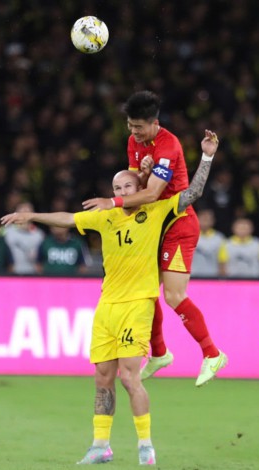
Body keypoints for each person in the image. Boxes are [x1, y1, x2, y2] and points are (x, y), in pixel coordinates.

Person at [2, 130, 219, 466]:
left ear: (139, 187)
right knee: (102, 377)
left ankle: (145, 445)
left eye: (127, 186)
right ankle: (100, 446)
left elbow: (193, 192)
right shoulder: (106, 216)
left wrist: (206, 156)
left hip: (137, 305)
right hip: (107, 307)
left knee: (129, 377)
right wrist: (31, 216)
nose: (121, 192)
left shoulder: (157, 209)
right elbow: (68, 219)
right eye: (117, 188)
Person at [82, 91, 226, 386]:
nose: (133, 132)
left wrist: (113, 202)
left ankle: (212, 354)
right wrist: (143, 173)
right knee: (144, 291)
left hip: (177, 222)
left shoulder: (168, 145)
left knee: (173, 296)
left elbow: (151, 194)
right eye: (130, 125)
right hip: (152, 224)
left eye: (139, 127)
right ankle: (159, 353)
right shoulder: (133, 142)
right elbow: (135, 184)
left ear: (154, 123)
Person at [1, 201, 45, 274]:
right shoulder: (5, 231)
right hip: (12, 275)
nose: (25, 213)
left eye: (28, 210)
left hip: (33, 275)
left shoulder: (40, 234)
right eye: (22, 210)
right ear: (15, 213)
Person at [191, 208, 227, 277]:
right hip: (193, 277)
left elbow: (222, 260)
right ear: (197, 219)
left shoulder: (219, 238)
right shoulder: (190, 236)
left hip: (212, 277)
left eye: (207, 219)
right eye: (203, 219)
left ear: (212, 221)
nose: (205, 222)